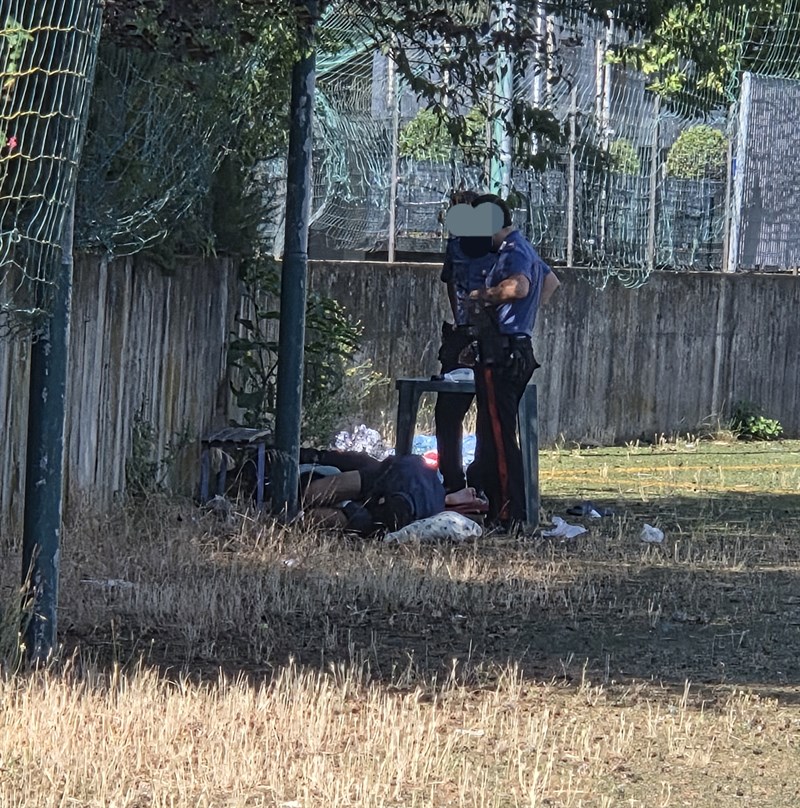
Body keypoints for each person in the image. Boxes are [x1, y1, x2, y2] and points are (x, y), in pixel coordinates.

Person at [465, 194, 560, 529]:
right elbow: (551, 282)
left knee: (500, 438)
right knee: (491, 434)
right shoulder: (523, 247)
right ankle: (494, 506)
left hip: (503, 353)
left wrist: (483, 296)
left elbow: (519, 288)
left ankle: (510, 513)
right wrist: (524, 317)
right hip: (515, 347)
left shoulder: (512, 251)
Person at [434, 190, 497, 493]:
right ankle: (458, 480)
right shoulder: (460, 245)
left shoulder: (491, 247)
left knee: (473, 412)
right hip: (468, 333)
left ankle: (467, 479)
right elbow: (451, 283)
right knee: (454, 410)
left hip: (483, 333)